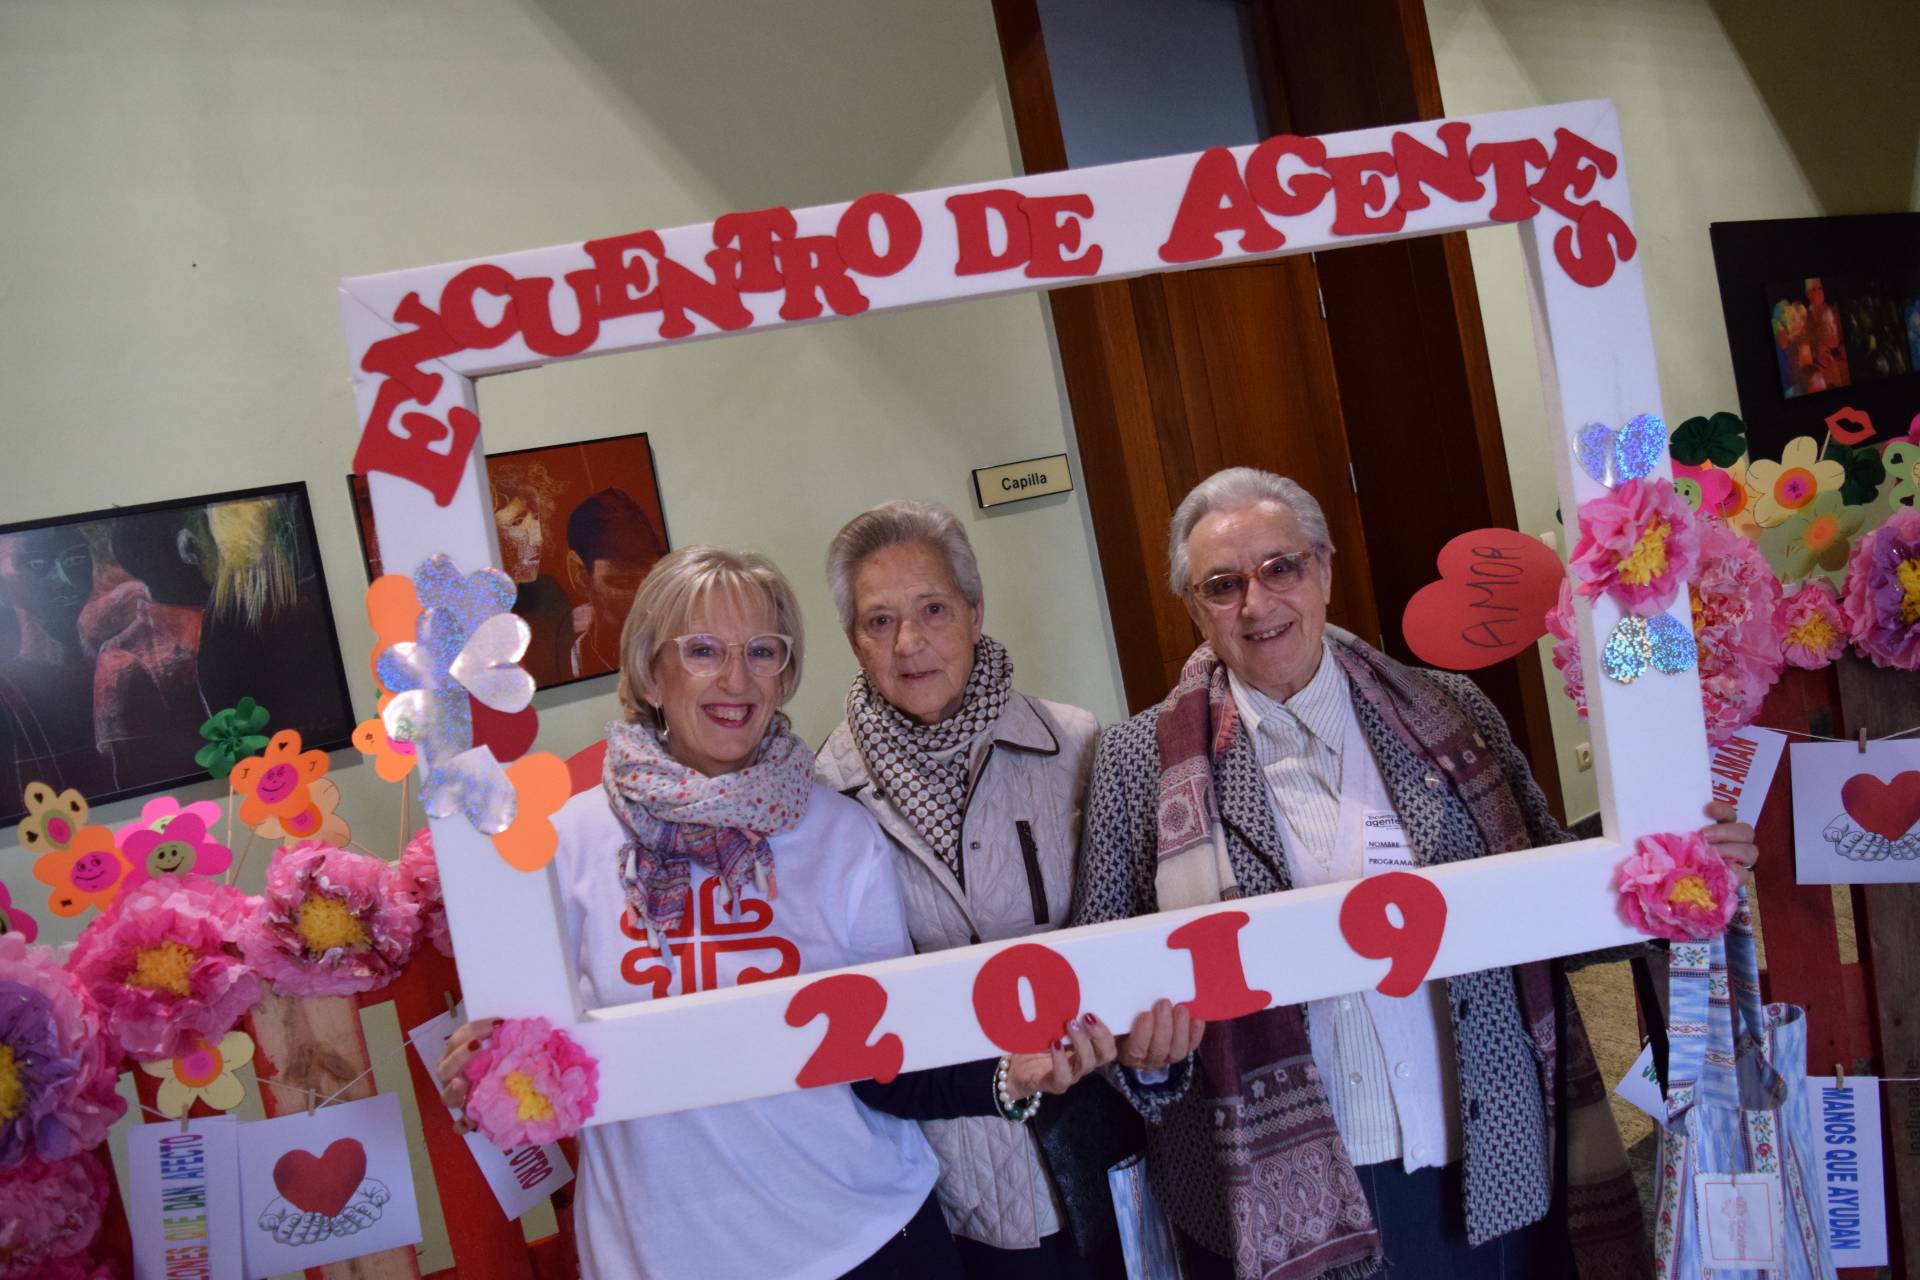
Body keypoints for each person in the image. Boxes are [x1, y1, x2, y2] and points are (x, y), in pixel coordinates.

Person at [1072, 467, 1761, 1280]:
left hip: (1480, 1150)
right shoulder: (1137, 763)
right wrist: (1146, 1054)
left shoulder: (1452, 712)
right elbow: (1102, 975)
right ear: (1194, 607)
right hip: (1269, 1185)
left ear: (1324, 570)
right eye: (1222, 585)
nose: (1256, 604)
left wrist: (1669, 874)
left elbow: (1554, 907)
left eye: (1281, 568)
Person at [437, 544, 1117, 1280]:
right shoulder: (564, 844)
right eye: (702, 650)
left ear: (784, 675)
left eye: (763, 651)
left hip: (872, 1239)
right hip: (660, 1256)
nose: (737, 679)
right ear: (649, 673)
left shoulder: (842, 834)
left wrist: (1011, 1073)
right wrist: (481, 1067)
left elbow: (889, 1060)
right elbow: (518, 1048)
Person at [816, 500, 1195, 1279]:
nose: (910, 642)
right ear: (854, 640)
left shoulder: (1076, 745)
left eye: (933, 609)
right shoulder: (824, 802)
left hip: (1103, 1154)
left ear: (975, 610)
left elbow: (1131, 939)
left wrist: (1152, 1051)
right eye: (880, 621)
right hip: (945, 1190)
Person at [565, 488, 666, 680]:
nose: (643, 597)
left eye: (652, 579)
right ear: (582, 578)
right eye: (623, 582)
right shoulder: (577, 659)